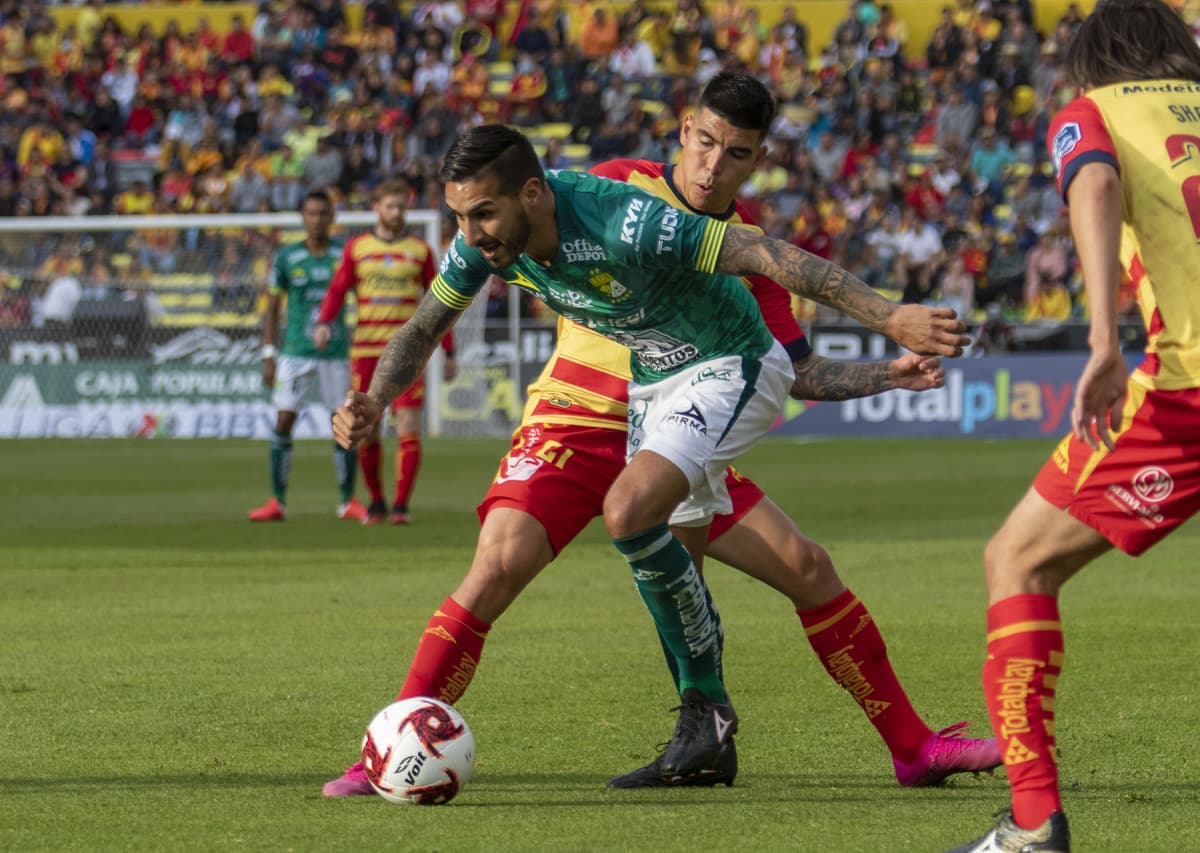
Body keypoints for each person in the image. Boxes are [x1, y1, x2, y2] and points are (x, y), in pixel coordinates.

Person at [321, 72, 997, 798]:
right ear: (683, 132)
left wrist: (883, 372)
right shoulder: (608, 193)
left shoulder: (738, 251)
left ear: (757, 158)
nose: (713, 166)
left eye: (734, 153)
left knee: (802, 563)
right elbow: (429, 320)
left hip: (681, 412)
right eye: (705, 143)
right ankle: (386, 753)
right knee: (496, 566)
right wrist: (376, 398)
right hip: (577, 419)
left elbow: (796, 370)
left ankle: (902, 744)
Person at [949, 2, 1200, 850]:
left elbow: (1093, 182)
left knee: (1016, 558)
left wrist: (1101, 338)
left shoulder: (1096, 109)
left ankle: (1032, 824)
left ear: (1094, 60)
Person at [314, 178, 457, 526]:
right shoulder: (357, 248)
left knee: (409, 424)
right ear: (376, 208)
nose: (397, 214)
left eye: (402, 208)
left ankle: (401, 506)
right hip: (366, 351)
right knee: (367, 427)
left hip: (408, 354)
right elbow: (337, 289)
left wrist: (449, 351)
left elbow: (441, 302)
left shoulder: (420, 250)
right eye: (391, 207)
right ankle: (376, 501)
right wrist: (324, 321)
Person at [248, 191, 363, 522]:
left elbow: (361, 296)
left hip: (335, 352)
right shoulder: (287, 257)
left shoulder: (344, 255)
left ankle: (346, 501)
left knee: (342, 423)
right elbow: (271, 308)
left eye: (322, 214)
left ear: (332, 218)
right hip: (295, 352)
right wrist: (268, 353)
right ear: (302, 217)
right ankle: (277, 502)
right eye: (310, 214)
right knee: (284, 419)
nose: (316, 220)